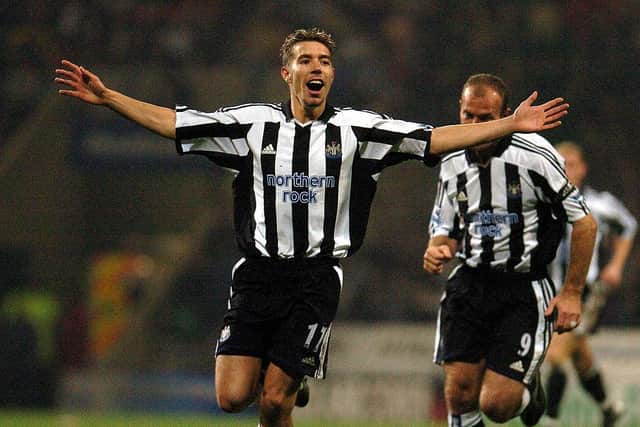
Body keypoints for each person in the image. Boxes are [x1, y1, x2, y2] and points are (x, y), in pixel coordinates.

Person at [56, 28, 569, 427]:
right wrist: (111, 98)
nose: (316, 67)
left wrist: (509, 124)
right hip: (255, 275)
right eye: (306, 60)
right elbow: (177, 123)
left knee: (275, 401)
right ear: (287, 73)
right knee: (233, 397)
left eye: (324, 60)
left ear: (332, 74)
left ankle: (289, 377)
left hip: (315, 279)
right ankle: (290, 373)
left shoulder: (358, 131)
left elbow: (433, 138)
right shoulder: (251, 125)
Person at [423, 74, 596, 427]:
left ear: (504, 114)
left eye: (485, 118)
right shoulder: (451, 157)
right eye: (468, 115)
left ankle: (528, 392)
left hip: (523, 287)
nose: (474, 125)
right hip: (469, 283)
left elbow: (584, 222)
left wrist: (572, 292)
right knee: (459, 396)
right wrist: (437, 249)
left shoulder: (536, 155)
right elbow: (445, 227)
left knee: (497, 406)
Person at [541, 142, 637, 427]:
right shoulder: (542, 201)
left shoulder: (598, 203)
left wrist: (616, 265)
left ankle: (550, 419)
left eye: (571, 163)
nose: (566, 169)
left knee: (557, 354)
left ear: (583, 169)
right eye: (560, 163)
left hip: (586, 292)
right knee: (579, 354)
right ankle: (609, 408)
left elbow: (628, 226)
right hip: (550, 290)